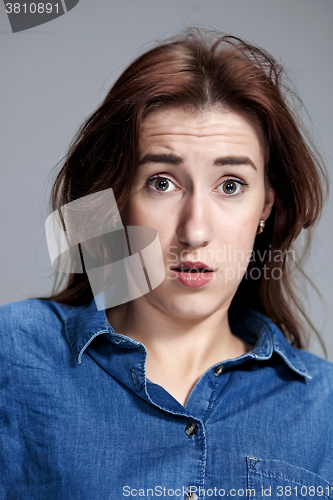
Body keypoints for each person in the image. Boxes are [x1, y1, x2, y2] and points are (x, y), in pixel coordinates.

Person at [0, 29, 332, 500]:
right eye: (161, 182)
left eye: (231, 185)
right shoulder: (12, 356)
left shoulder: (324, 409)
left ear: (266, 208)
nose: (194, 231)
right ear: (114, 201)